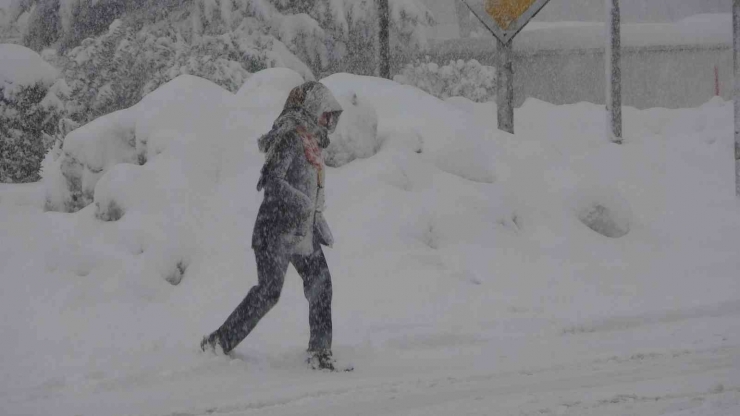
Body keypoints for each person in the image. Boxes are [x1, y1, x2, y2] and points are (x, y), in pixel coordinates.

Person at [201, 81, 343, 371]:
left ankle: (320, 352)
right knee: (269, 292)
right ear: (311, 109)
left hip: (302, 231)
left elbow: (310, 191)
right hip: (275, 229)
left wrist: (317, 220)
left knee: (321, 284)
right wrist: (303, 203)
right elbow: (273, 182)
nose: (329, 121)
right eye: (325, 114)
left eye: (332, 116)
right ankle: (218, 342)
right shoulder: (290, 138)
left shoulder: (311, 143)